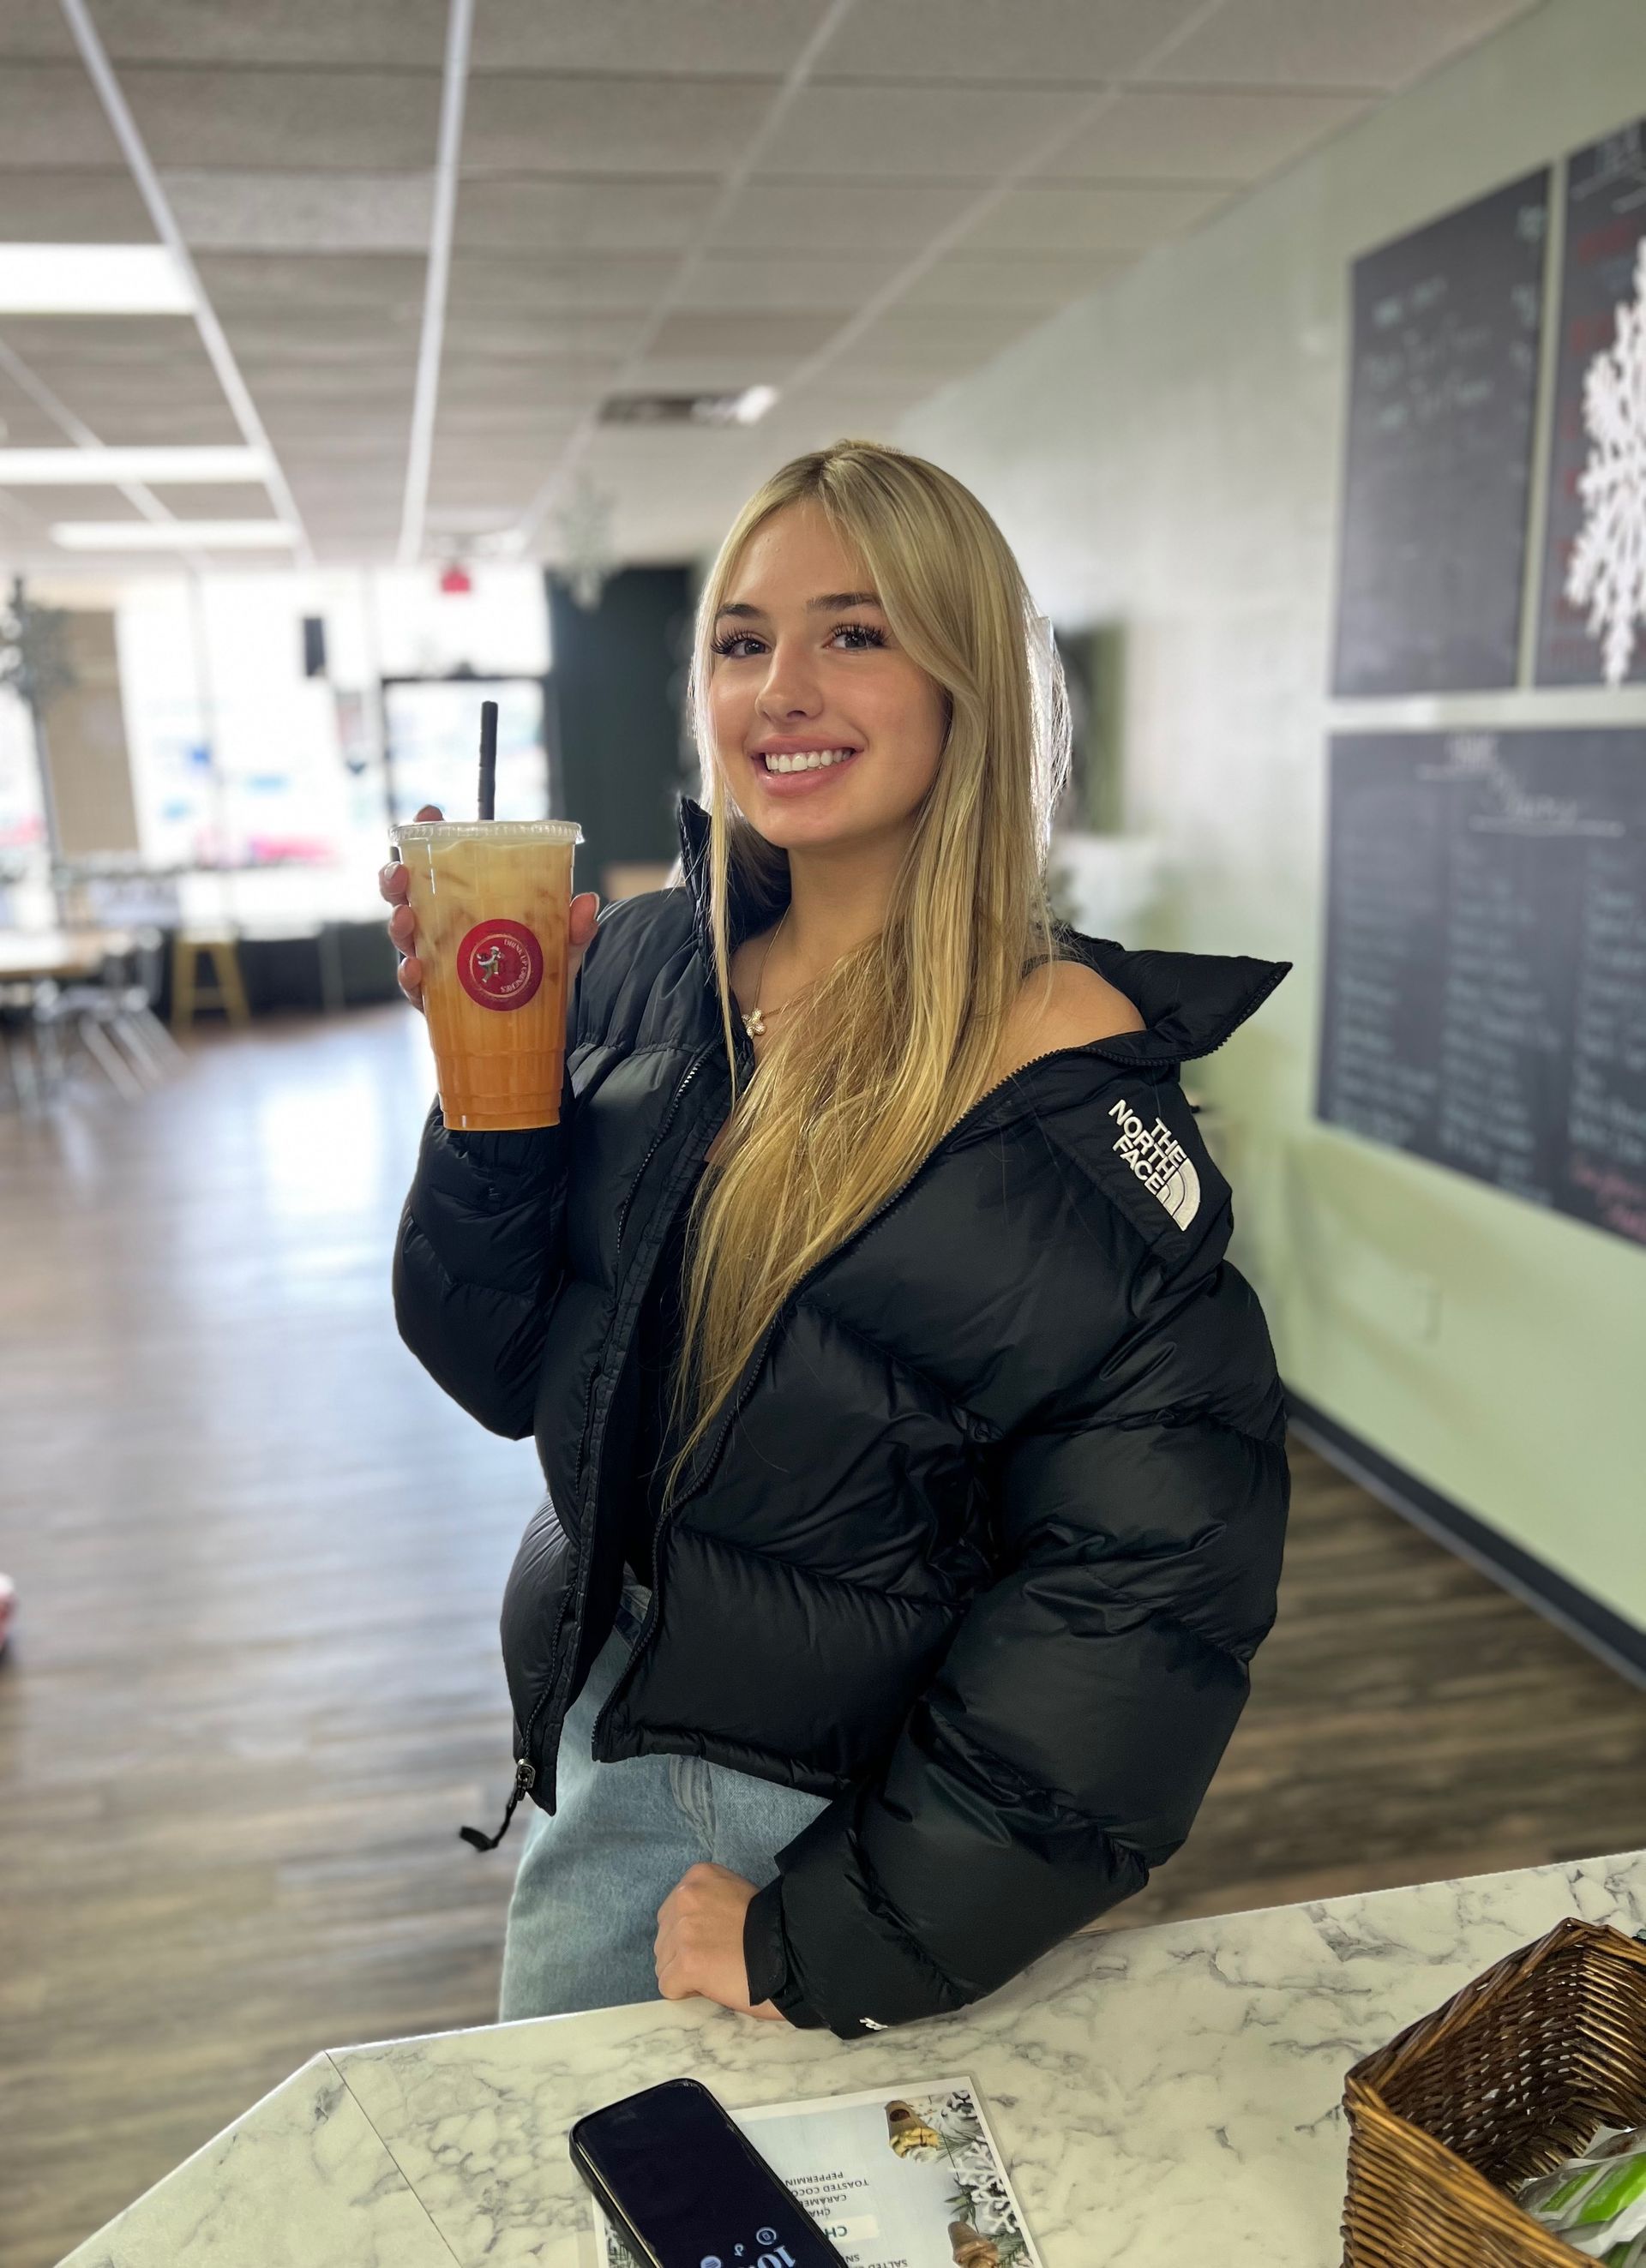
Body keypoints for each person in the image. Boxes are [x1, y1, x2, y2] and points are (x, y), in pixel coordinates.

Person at [383, 439, 1293, 2042]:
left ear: (966, 684)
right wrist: (492, 1102)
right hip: (603, 1729)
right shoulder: (661, 965)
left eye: (855, 633)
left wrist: (833, 1932)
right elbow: (498, 1358)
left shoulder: (1054, 1087)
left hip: (800, 1840)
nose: (783, 687)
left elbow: (1145, 1604)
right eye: (744, 642)